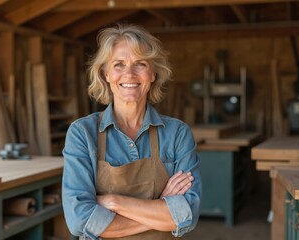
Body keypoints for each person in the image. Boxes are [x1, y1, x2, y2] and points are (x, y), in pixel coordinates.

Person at [62, 23, 201, 240]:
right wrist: (159, 208)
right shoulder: (82, 133)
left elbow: (187, 215)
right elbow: (80, 220)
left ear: (153, 73)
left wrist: (114, 202)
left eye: (140, 64)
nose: (129, 74)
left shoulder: (177, 134)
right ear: (106, 73)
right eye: (118, 64)